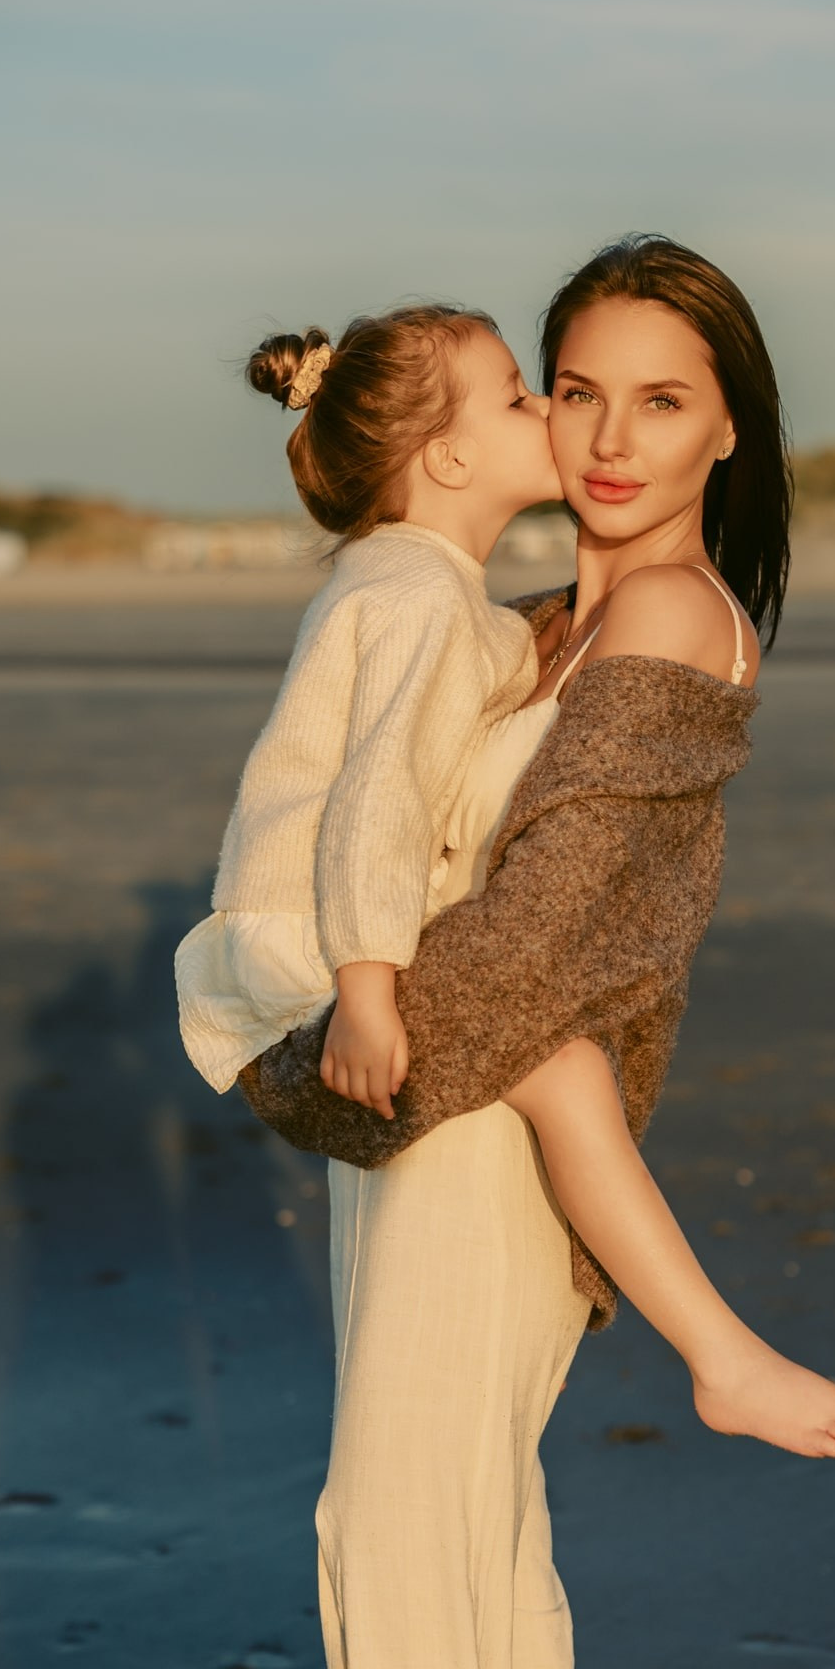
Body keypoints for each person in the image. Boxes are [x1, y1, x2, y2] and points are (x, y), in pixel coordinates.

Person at [241, 237, 835, 1669]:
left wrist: (322, 1079)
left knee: (391, 1553)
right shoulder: (529, 622)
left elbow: (536, 943)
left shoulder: (671, 615)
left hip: (459, 1128)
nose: (612, 442)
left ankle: (719, 1356)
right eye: (583, 393)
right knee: (476, 1563)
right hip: (430, 1115)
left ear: (728, 429)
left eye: (663, 402)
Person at [174, 301, 559, 1109]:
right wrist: (365, 997)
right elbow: (381, 796)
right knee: (564, 1078)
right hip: (321, 933)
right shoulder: (423, 596)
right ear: (450, 459)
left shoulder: (396, 573)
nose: (551, 408)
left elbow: (480, 666)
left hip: (292, 912)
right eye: (520, 399)